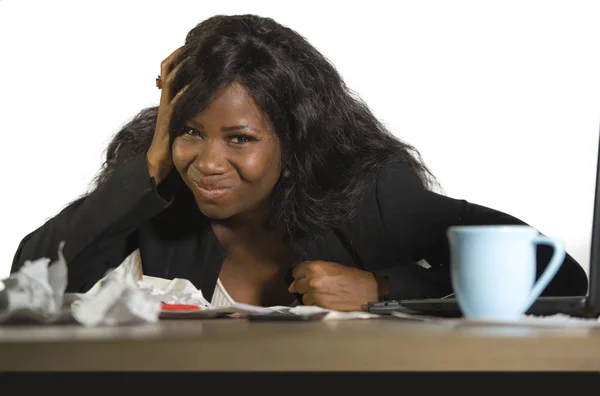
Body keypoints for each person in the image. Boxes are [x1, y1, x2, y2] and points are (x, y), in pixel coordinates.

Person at [10, 14, 588, 311]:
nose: (207, 163)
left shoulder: (370, 193)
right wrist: (157, 157)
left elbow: (558, 274)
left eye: (239, 139)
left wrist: (382, 286)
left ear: (295, 139)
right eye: (190, 132)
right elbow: (32, 277)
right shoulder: (155, 192)